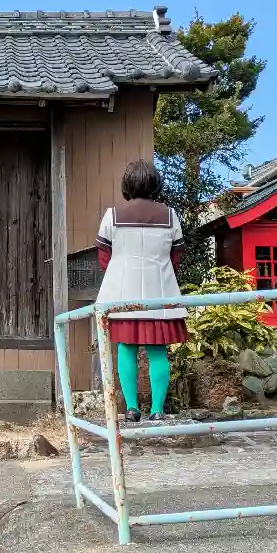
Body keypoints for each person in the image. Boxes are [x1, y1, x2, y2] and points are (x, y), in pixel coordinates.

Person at [95, 160, 187, 422]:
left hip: (122, 292)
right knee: (158, 350)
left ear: (127, 184)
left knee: (126, 348)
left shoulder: (112, 215)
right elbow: (176, 256)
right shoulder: (170, 216)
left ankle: (132, 409)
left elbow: (104, 256)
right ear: (156, 185)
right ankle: (157, 410)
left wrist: (119, 273)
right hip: (160, 291)